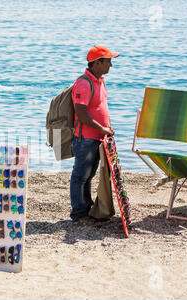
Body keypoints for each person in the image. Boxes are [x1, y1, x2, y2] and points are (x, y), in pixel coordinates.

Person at [70, 45, 119, 223]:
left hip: (97, 137)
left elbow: (101, 107)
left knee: (88, 175)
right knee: (80, 176)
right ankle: (78, 213)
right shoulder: (84, 83)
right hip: (85, 139)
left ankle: (85, 207)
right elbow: (82, 114)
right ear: (97, 63)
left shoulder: (100, 80)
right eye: (108, 61)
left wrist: (109, 127)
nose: (111, 65)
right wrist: (103, 129)